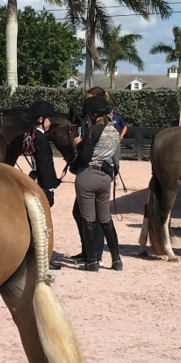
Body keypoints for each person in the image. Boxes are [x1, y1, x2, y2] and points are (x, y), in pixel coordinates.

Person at [73, 96, 123, 272]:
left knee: (88, 219)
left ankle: (92, 261)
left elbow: (85, 157)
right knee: (105, 220)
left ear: (93, 115)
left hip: (88, 176)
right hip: (104, 178)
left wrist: (78, 144)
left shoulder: (93, 130)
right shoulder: (114, 131)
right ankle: (116, 260)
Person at [71, 87, 106, 265]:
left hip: (92, 172)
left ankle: (95, 254)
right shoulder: (91, 122)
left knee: (91, 216)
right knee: (81, 213)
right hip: (94, 172)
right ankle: (89, 250)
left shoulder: (98, 125)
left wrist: (78, 145)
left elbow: (88, 153)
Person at [26, 100, 62, 270]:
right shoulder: (40, 139)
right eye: (48, 119)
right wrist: (51, 186)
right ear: (40, 119)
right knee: (44, 223)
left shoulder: (35, 136)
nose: (50, 122)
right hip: (42, 183)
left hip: (36, 178)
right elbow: (45, 164)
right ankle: (44, 258)